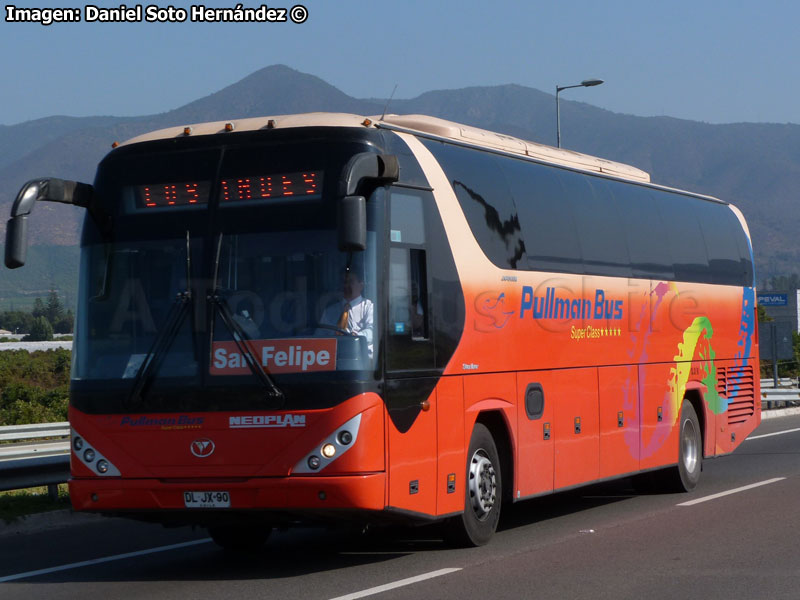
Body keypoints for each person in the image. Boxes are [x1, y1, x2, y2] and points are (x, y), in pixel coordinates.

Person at [318, 270, 373, 358]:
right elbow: (319, 335)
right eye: (343, 282)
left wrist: (355, 337)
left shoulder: (369, 307)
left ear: (361, 285)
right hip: (333, 358)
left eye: (350, 282)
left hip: (360, 359)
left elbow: (372, 331)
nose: (345, 286)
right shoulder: (330, 310)